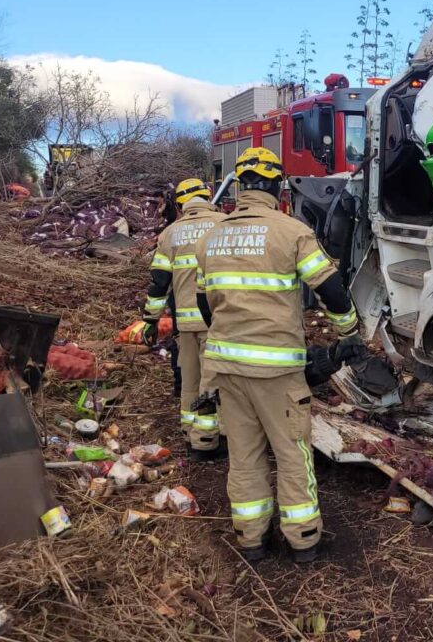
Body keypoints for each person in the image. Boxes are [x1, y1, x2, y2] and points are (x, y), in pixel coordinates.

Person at [195, 147, 361, 563]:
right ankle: (303, 538)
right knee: (292, 452)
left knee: (245, 455)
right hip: (277, 371)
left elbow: (203, 306)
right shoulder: (292, 232)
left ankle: (251, 538)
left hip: (226, 367)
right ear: (276, 186)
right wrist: (349, 332)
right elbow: (330, 289)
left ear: (239, 187)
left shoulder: (210, 237)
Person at [142, 177, 224, 459]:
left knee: (189, 380)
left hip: (185, 323)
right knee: (213, 382)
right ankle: (209, 439)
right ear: (207, 197)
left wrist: (151, 321)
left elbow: (159, 284)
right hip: (218, 321)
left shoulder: (170, 234)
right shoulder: (224, 225)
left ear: (180, 204)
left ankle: (191, 433)